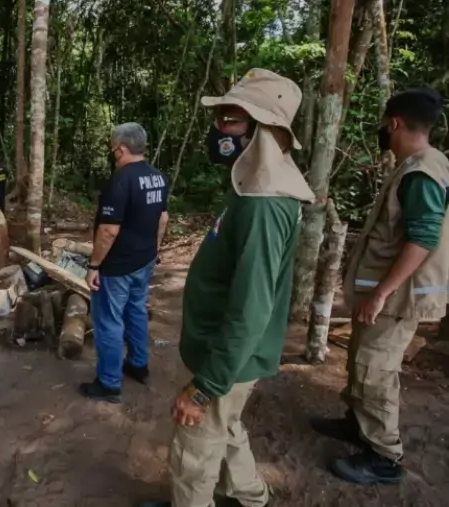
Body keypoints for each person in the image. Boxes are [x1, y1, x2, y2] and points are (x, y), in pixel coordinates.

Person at [137, 69, 315, 507]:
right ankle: (250, 496)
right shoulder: (250, 189)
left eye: (231, 120)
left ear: (263, 129)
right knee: (227, 429)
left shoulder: (264, 205)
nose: (219, 129)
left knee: (193, 453)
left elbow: (252, 308)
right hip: (224, 354)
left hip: (223, 359)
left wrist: (203, 386)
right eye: (220, 119)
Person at [310, 88, 449, 485]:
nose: (382, 131)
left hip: (396, 298)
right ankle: (358, 424)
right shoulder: (421, 165)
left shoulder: (422, 171)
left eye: (385, 125)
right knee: (361, 361)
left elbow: (422, 239)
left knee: (375, 373)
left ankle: (384, 457)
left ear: (396, 123)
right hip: (387, 295)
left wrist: (381, 292)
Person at [79, 122, 169, 404]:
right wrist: (154, 252)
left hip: (117, 266)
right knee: (136, 311)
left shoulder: (120, 180)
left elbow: (108, 230)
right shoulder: (158, 177)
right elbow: (163, 219)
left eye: (112, 149)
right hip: (143, 260)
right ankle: (139, 365)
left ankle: (109, 383)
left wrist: (94, 266)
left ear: (120, 149)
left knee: (108, 321)